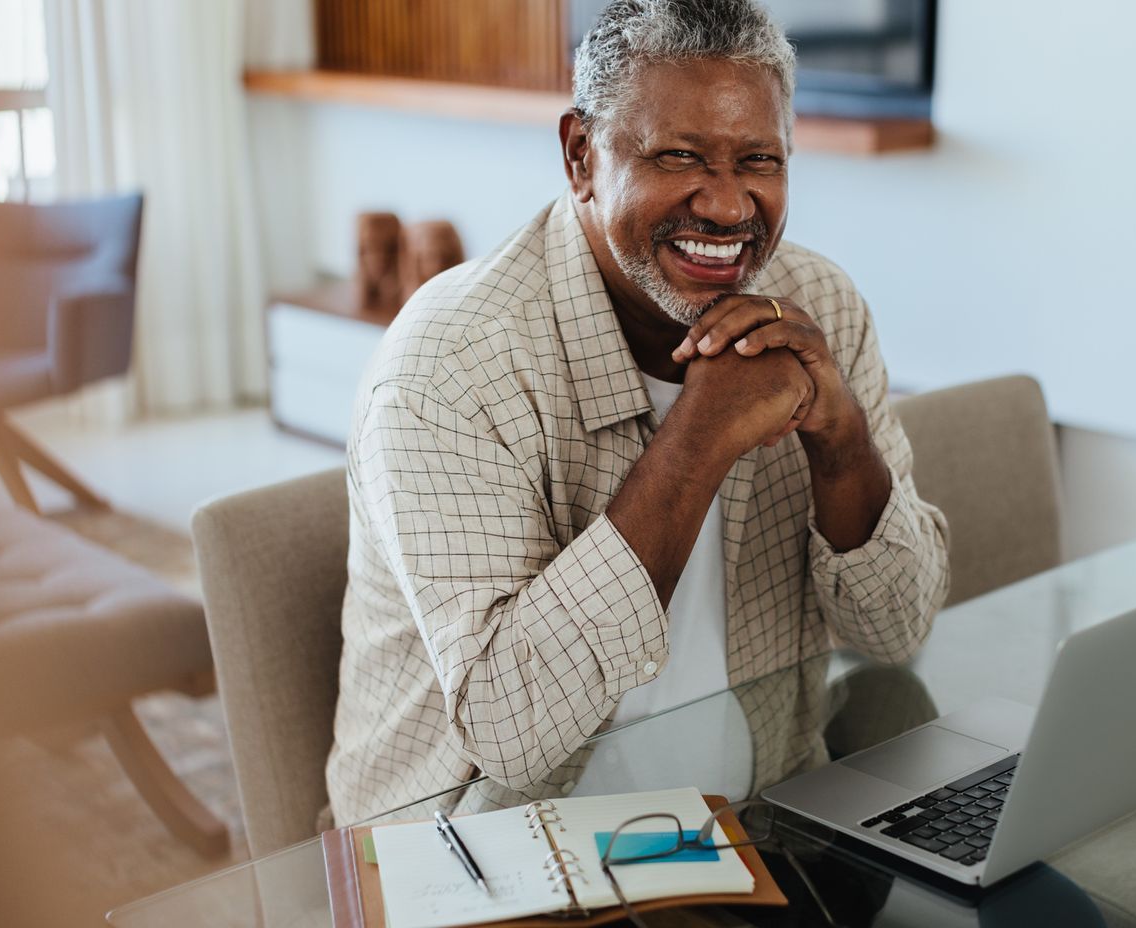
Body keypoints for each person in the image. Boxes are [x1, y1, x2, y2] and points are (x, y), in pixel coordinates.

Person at [327, 0, 950, 823]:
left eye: (758, 160)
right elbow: (512, 732)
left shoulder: (818, 306)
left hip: (758, 828)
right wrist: (697, 439)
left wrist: (842, 445)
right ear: (581, 155)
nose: (729, 208)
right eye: (680, 156)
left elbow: (896, 633)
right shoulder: (450, 367)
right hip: (486, 855)